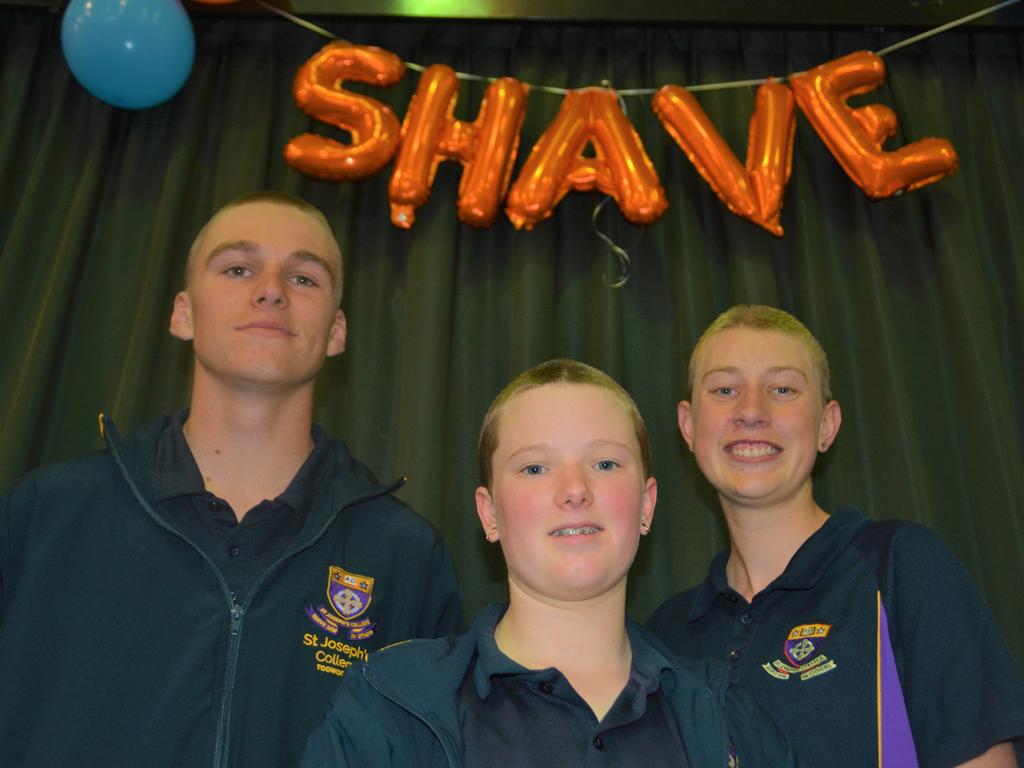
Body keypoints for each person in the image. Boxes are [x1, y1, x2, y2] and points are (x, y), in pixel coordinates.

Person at [0, 191, 461, 767]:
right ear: (183, 312)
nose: (270, 290)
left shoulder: (405, 558)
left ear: (337, 331)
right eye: (238, 268)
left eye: (304, 278)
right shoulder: (46, 515)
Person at [302, 359, 795, 767]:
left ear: (646, 505)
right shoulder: (390, 707)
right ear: (488, 512)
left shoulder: (730, 719)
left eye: (605, 463)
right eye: (535, 468)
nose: (575, 490)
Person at [647, 304, 1024, 768]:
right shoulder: (664, 636)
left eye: (782, 389)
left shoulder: (898, 567)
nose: (751, 411)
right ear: (688, 426)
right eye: (725, 389)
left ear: (827, 425)